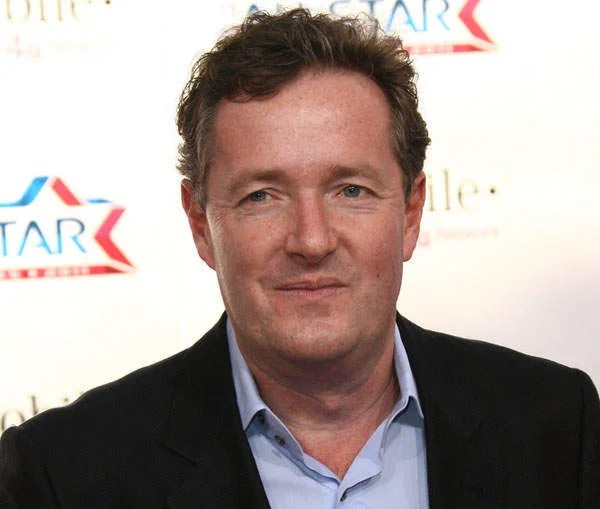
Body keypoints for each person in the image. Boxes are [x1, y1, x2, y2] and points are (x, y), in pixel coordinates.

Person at [1, 8, 599, 509]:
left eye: (351, 191)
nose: (311, 241)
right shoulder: (64, 474)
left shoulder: (556, 425)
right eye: (262, 196)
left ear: (411, 213)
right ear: (201, 224)